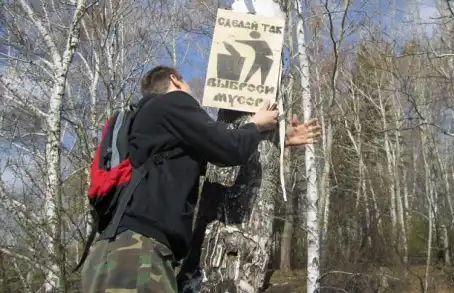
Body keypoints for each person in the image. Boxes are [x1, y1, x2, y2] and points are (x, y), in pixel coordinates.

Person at [81, 65, 320, 293]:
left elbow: (212, 154)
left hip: (109, 254)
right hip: (138, 253)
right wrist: (256, 125)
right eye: (185, 81)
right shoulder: (173, 102)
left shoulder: (147, 122)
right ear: (174, 79)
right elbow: (227, 147)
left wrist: (278, 140)